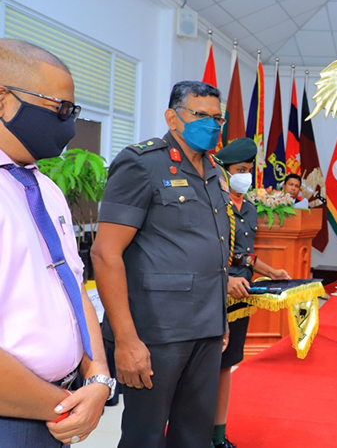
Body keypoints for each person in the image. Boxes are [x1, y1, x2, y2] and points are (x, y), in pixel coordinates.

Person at [91, 81, 234, 448]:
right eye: (201, 116)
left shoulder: (214, 170)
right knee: (146, 436)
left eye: (217, 118)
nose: (212, 125)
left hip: (206, 328)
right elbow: (105, 253)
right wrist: (126, 340)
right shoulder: (142, 163)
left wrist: (219, 319)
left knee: (194, 435)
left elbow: (214, 253)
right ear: (173, 118)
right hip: (156, 332)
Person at [0, 39, 113, 447]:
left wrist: (98, 377)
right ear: (3, 100)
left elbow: (72, 286)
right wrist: (64, 406)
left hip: (61, 404)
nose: (68, 124)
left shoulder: (45, 188)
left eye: (73, 111)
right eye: (59, 109)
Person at [209, 137, 290, 448]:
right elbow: (209, 253)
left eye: (248, 170)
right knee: (203, 369)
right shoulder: (216, 204)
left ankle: (219, 436)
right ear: (225, 172)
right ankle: (193, 434)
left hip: (240, 298)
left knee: (226, 366)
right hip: (214, 295)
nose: (245, 176)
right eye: (239, 170)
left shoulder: (251, 208)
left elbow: (244, 255)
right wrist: (226, 278)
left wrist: (271, 271)